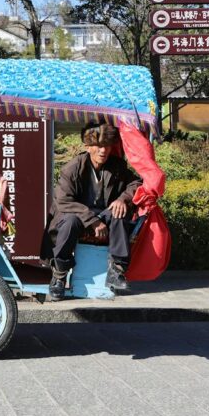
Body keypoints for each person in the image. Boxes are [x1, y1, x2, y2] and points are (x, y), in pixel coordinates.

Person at [46, 122, 141, 301]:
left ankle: (117, 270)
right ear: (87, 146)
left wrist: (123, 199)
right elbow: (64, 200)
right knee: (70, 222)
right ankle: (59, 276)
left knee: (119, 212)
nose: (103, 151)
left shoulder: (117, 165)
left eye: (106, 145)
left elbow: (136, 183)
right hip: (76, 216)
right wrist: (92, 220)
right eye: (97, 146)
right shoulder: (72, 168)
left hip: (103, 213)